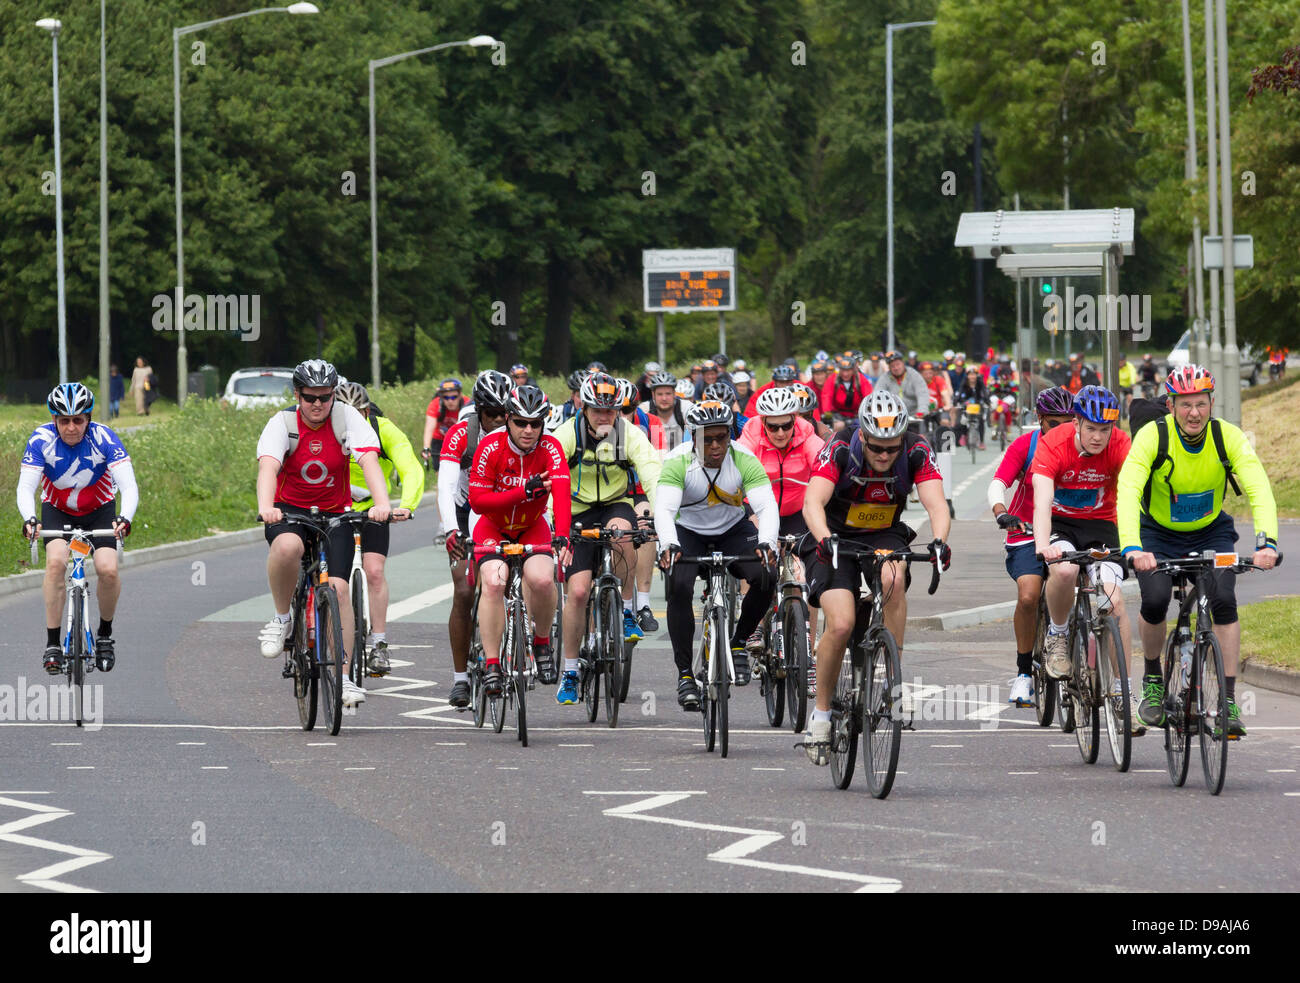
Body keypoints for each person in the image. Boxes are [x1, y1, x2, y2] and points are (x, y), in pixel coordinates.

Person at [1118, 366, 1278, 737]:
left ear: (1211, 404)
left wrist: (1266, 541)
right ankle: (1154, 680)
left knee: (1224, 599)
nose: (1194, 413)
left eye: (1201, 404)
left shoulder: (1228, 437)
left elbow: (1258, 487)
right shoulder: (1153, 438)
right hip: (1156, 534)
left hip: (1210, 531)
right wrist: (1132, 547)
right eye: (1186, 404)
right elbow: (1127, 491)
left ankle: (1228, 700)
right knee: (1155, 600)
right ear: (1171, 405)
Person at [801, 391, 951, 764]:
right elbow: (812, 502)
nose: (885, 456)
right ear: (863, 437)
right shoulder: (839, 446)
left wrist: (939, 543)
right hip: (835, 535)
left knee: (893, 579)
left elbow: (936, 504)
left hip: (884, 532)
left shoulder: (916, 449)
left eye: (892, 449)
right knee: (841, 624)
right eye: (877, 448)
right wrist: (823, 539)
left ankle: (890, 675)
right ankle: (820, 715)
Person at [255, 360, 392, 709]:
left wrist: (381, 504)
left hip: (336, 513)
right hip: (289, 510)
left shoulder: (348, 419)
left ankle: (344, 679)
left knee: (340, 589)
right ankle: (282, 618)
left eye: (325, 397)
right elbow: (269, 467)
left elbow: (370, 464)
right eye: (310, 397)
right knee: (288, 546)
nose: (317, 404)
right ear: (297, 395)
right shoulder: (282, 423)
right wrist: (266, 506)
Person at [1030, 385, 1142, 731]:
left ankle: (1122, 692)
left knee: (1114, 599)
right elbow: (1042, 500)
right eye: (1090, 428)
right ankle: (1058, 636)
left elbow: (1136, 491)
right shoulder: (1054, 443)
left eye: (1104, 430)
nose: (1097, 437)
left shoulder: (1122, 445)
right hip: (1061, 524)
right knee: (1062, 571)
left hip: (1102, 524)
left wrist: (1138, 543)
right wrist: (1041, 543)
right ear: (1076, 422)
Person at [655, 399, 777, 708]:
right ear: (693, 436)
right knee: (678, 586)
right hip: (689, 532)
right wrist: (669, 544)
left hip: (732, 530)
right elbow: (665, 510)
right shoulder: (677, 460)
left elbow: (766, 506)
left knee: (765, 575)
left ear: (730, 436)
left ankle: (738, 643)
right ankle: (685, 675)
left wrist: (767, 543)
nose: (714, 445)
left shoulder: (743, 458)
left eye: (721, 437)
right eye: (706, 438)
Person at [19, 383, 138, 675]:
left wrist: (125, 517)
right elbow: (26, 486)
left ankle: (105, 636)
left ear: (88, 418)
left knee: (107, 569)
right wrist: (30, 518)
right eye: (64, 421)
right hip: (57, 510)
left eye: (78, 420)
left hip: (100, 511)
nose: (71, 427)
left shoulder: (104, 438)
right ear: (54, 420)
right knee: (56, 563)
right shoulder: (40, 440)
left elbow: (128, 485)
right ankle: (52, 643)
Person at [556, 374, 662, 695]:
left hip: (616, 503)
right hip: (576, 510)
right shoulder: (566, 435)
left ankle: (626, 610)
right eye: (597, 411)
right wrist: (556, 527)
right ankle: (571, 671)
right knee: (576, 593)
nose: (605, 417)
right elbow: (552, 481)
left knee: (623, 535)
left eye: (611, 411)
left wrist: (661, 516)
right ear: (584, 408)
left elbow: (652, 470)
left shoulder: (629, 434)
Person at [467, 385, 569, 698]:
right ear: (508, 420)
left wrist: (563, 537)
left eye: (535, 423)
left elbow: (562, 495)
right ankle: (494, 663)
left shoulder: (551, 448)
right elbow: (478, 502)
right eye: (521, 422)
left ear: (543, 424)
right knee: (494, 583)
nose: (528, 430)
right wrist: (522, 492)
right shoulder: (490, 447)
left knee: (541, 579)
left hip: (531, 526)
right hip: (493, 527)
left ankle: (541, 643)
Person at [987, 386, 1076, 707]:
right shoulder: (1026, 445)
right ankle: (1024, 673)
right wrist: (1001, 512)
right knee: (1028, 595)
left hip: (1068, 530)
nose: (1064, 429)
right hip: (1024, 530)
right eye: (1056, 423)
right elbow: (999, 482)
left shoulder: (1081, 445)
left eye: (1071, 422)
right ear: (1039, 420)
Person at [334, 381, 420, 676]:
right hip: (333, 508)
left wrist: (406, 505)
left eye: (357, 412)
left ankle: (380, 644)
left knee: (374, 571)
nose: (351, 419)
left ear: (367, 411)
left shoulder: (383, 429)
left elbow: (410, 468)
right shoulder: (324, 428)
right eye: (344, 412)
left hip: (374, 508)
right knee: (327, 574)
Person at [436, 370, 512, 707]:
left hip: (506, 507)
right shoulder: (461, 433)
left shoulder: (523, 429)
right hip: (466, 508)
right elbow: (446, 486)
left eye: (504, 413)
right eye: (491, 414)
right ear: (478, 410)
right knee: (465, 589)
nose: (499, 420)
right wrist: (452, 529)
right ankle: (460, 678)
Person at [739, 385, 826, 645]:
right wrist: (751, 515)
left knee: (803, 578)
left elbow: (826, 468)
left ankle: (807, 650)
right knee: (757, 565)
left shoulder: (808, 436)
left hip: (796, 511)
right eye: (773, 426)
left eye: (786, 425)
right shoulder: (751, 436)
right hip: (758, 509)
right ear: (763, 421)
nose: (780, 432)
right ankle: (754, 625)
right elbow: (735, 470)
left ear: (795, 420)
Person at [640, 370, 692, 451]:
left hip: (681, 459)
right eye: (660, 394)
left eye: (668, 394)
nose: (664, 398)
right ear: (653, 395)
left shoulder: (685, 407)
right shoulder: (644, 409)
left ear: (674, 394)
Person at [421, 378, 467, 466]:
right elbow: (429, 428)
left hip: (460, 440)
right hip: (439, 440)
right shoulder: (435, 404)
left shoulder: (467, 404)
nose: (450, 401)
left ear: (460, 395)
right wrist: (426, 448)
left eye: (454, 397)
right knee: (440, 472)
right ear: (441, 397)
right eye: (446, 397)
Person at [818, 353, 872, 429]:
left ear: (853, 370)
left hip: (856, 415)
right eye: (843, 370)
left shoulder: (860, 379)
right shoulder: (833, 379)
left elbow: (868, 397)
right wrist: (827, 414)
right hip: (837, 414)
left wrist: (869, 412)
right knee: (837, 427)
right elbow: (826, 396)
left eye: (848, 370)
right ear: (839, 369)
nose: (845, 374)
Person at [874, 351, 930, 422]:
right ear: (889, 367)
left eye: (898, 364)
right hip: (893, 418)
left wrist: (921, 411)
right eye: (892, 366)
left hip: (914, 417)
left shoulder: (914, 375)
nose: (896, 368)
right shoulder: (884, 378)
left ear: (903, 363)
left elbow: (922, 394)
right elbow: (877, 395)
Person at [953, 366, 990, 449]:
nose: (972, 377)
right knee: (963, 419)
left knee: (981, 421)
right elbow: (959, 393)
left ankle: (981, 442)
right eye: (970, 375)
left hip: (978, 404)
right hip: (967, 404)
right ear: (967, 376)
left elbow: (985, 392)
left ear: (977, 375)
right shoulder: (964, 383)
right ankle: (963, 435)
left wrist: (987, 401)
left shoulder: (980, 383)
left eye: (974, 375)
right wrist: (956, 401)